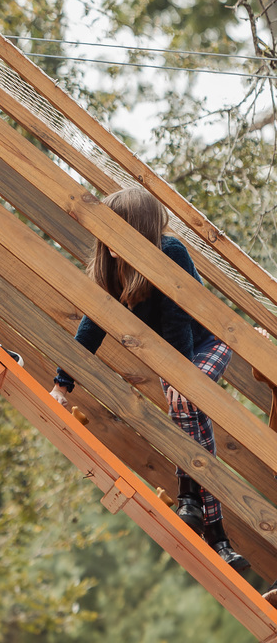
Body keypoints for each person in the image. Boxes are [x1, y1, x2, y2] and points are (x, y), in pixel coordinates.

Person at [49, 187, 248, 572]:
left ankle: (195, 502)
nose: (109, 245)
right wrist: (61, 384)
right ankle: (216, 536)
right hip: (174, 363)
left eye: (118, 232)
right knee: (190, 416)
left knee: (185, 402)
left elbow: (178, 321)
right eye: (105, 236)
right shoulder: (110, 271)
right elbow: (91, 329)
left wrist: (182, 379)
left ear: (139, 231)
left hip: (206, 344)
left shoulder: (169, 252)